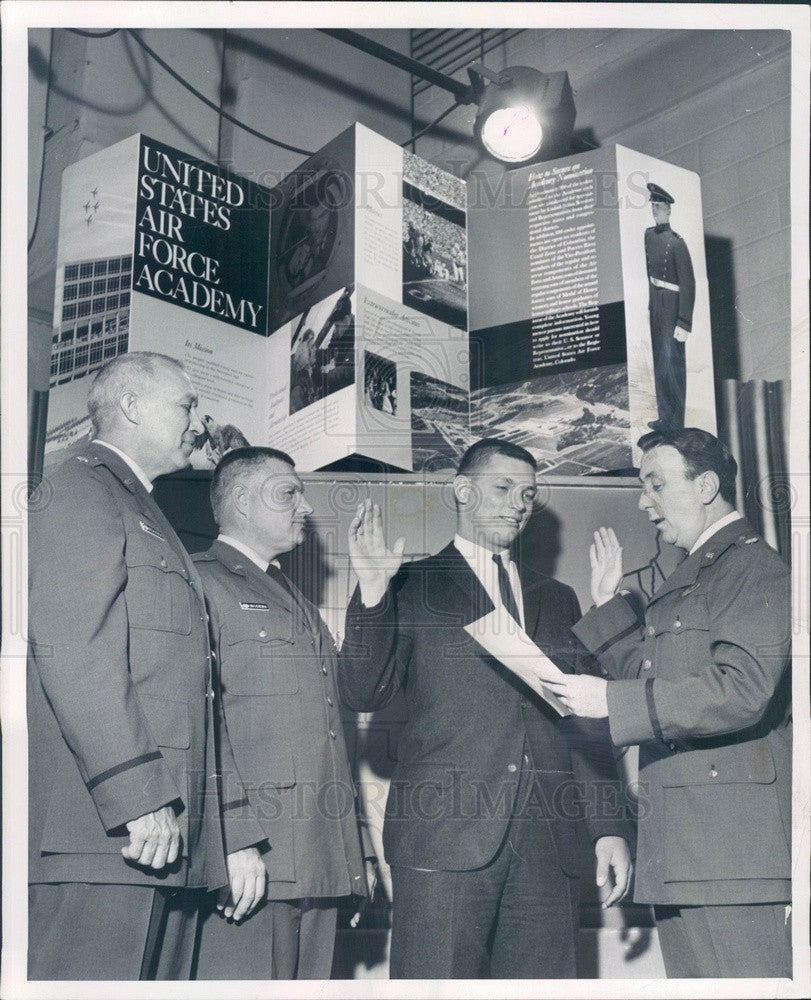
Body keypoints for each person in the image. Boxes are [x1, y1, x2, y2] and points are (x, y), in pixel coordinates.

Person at [339, 438, 633, 979]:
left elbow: (587, 721)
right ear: (462, 490)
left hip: (547, 843)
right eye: (502, 488)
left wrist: (607, 826)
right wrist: (374, 593)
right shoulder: (411, 581)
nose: (517, 503)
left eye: (528, 494)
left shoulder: (559, 597)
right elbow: (363, 692)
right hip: (443, 839)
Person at [28, 352, 267, 980]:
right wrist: (136, 794)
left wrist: (227, 830)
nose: (199, 420)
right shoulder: (77, 484)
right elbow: (77, 648)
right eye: (187, 404)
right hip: (108, 836)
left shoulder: (147, 508)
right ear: (132, 406)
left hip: (163, 837)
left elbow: (194, 692)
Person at [550, 428, 792, 978]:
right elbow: (661, 678)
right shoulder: (696, 572)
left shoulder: (754, 568)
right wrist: (609, 605)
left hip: (731, 854)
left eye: (656, 484)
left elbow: (742, 690)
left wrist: (610, 701)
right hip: (687, 847)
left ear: (706, 485)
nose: (644, 502)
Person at [192, 447, 372, 979]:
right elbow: (199, 724)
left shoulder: (291, 595)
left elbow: (333, 725)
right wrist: (232, 839)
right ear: (243, 501)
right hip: (253, 863)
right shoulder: (200, 581)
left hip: (316, 859)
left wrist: (350, 860)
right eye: (289, 492)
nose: (305, 505)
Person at [644, 182, 695, 432]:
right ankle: (665, 417)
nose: (655, 211)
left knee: (672, 363)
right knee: (659, 363)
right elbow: (649, 274)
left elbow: (689, 283)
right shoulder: (648, 235)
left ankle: (677, 422)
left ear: (668, 211)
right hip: (657, 305)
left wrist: (684, 322)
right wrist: (651, 304)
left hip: (673, 306)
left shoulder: (677, 243)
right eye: (653, 206)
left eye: (660, 207)